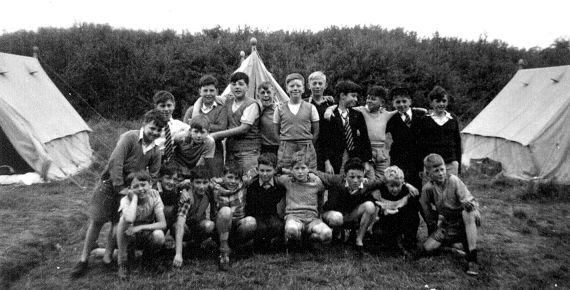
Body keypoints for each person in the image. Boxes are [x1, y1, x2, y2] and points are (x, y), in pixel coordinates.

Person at [70, 109, 165, 278]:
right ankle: (83, 259)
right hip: (110, 184)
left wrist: (139, 189)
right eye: (152, 128)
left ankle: (107, 257)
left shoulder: (156, 150)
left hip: (129, 189)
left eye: (159, 130)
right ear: (144, 124)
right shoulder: (129, 137)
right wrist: (119, 186)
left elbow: (154, 175)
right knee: (97, 220)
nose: (155, 133)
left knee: (117, 223)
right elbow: (116, 162)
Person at [419, 153, 481, 276]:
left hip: (466, 218)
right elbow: (426, 210)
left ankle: (472, 257)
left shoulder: (453, 180)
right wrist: (433, 228)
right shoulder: (428, 189)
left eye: (442, 169)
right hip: (449, 223)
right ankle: (454, 244)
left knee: (467, 212)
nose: (441, 173)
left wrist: (468, 205)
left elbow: (468, 201)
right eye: (436, 171)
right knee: (428, 248)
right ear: (428, 173)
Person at [316, 158, 378, 255]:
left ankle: (359, 241)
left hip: (350, 215)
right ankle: (336, 235)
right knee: (337, 217)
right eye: (352, 177)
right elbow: (320, 174)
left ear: (363, 175)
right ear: (345, 175)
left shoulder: (365, 184)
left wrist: (405, 184)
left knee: (370, 206)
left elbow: (382, 181)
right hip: (332, 214)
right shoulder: (337, 180)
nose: (356, 181)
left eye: (359, 177)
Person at [115, 171, 167, 280]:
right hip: (127, 236)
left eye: (143, 185)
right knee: (122, 221)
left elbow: (163, 224)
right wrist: (134, 198)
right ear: (130, 189)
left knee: (159, 235)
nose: (140, 189)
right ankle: (122, 262)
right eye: (136, 186)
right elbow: (129, 219)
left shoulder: (154, 196)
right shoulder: (125, 200)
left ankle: (147, 260)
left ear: (150, 184)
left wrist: (140, 227)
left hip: (143, 233)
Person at [276, 151, 332, 251]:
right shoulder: (287, 181)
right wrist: (288, 172)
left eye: (303, 168)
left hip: (312, 219)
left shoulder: (316, 181)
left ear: (308, 169)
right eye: (296, 168)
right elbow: (274, 173)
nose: (300, 172)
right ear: (291, 170)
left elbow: (329, 183)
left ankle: (308, 240)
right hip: (294, 218)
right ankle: (295, 242)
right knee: (291, 229)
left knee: (327, 234)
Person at [208, 72, 261, 175]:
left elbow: (243, 128)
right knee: (231, 181)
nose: (237, 87)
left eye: (241, 84)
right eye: (233, 84)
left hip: (248, 152)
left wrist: (216, 135)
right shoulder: (228, 101)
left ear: (247, 87)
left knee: (249, 181)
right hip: (231, 151)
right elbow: (207, 96)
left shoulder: (252, 104)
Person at [211, 163, 256, 271]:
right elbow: (196, 182)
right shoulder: (214, 187)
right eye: (229, 177)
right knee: (226, 211)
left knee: (251, 222)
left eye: (236, 178)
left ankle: (234, 247)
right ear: (222, 177)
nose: (233, 181)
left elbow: (257, 172)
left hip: (237, 224)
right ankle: (223, 250)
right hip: (221, 226)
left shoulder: (242, 184)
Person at [323, 80, 373, 176]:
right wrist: (327, 162)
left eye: (356, 97)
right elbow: (325, 142)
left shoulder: (357, 115)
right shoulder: (330, 115)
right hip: (336, 159)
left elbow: (365, 140)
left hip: (355, 158)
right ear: (342, 95)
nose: (356, 99)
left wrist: (366, 161)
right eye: (353, 96)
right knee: (338, 185)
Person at [370, 166, 419, 258]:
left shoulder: (406, 191)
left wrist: (398, 210)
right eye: (391, 186)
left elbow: (414, 204)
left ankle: (409, 241)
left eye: (398, 186)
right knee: (378, 234)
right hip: (386, 221)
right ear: (386, 184)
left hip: (401, 219)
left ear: (402, 184)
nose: (395, 189)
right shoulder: (380, 191)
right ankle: (391, 242)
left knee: (413, 216)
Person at [273, 73, 320, 170]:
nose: (295, 88)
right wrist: (284, 144)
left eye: (298, 86)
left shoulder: (311, 108)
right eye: (292, 86)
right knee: (286, 175)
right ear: (287, 89)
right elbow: (275, 131)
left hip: (306, 147)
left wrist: (308, 143)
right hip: (286, 148)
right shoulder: (279, 108)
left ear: (303, 89)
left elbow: (316, 131)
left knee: (308, 174)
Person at [172, 166, 216, 268]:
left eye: (205, 183)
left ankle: (196, 246)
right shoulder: (187, 197)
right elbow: (180, 224)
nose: (201, 186)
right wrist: (178, 254)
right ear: (191, 183)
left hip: (197, 224)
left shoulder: (209, 192)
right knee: (178, 227)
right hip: (184, 227)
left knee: (209, 225)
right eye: (198, 182)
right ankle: (182, 249)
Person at [184, 74, 227, 176]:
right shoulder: (191, 110)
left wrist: (199, 125)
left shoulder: (221, 109)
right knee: (195, 178)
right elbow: (187, 128)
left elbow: (222, 128)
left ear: (217, 91)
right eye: (205, 90)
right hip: (194, 151)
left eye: (212, 91)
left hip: (215, 151)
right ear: (200, 91)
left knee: (213, 177)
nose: (208, 94)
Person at [386, 87, 426, 190]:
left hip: (416, 159)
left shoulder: (421, 116)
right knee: (401, 185)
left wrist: (422, 165)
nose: (401, 104)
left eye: (404, 101)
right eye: (398, 102)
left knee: (417, 187)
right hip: (399, 159)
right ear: (393, 104)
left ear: (410, 101)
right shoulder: (391, 119)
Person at [353, 86, 397, 180]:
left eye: (373, 99)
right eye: (368, 98)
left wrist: (419, 110)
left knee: (383, 178)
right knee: (370, 178)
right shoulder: (361, 110)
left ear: (382, 102)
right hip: (368, 151)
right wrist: (330, 109)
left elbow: (400, 111)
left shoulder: (385, 114)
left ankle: (379, 194)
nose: (369, 101)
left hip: (381, 152)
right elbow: (344, 107)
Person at [243, 153, 286, 250]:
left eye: (268, 171)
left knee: (277, 225)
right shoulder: (252, 185)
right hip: (256, 215)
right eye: (262, 170)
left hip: (273, 215)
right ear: (257, 170)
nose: (265, 174)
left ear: (275, 170)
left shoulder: (279, 185)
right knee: (260, 228)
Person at [418, 86, 462, 176]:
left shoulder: (453, 119)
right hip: (431, 164)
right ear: (431, 103)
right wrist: (421, 166)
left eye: (444, 101)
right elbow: (421, 145)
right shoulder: (424, 120)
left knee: (450, 188)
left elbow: (458, 142)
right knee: (432, 189)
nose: (441, 104)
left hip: (450, 163)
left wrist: (459, 164)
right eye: (437, 101)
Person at [306, 71, 335, 171]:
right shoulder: (304, 104)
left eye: (320, 83)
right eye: (314, 84)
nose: (317, 86)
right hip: (311, 146)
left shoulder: (331, 104)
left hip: (328, 148)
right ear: (308, 86)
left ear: (325, 85)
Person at [153, 90, 190, 164]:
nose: (166, 109)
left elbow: (193, 131)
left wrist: (183, 136)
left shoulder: (179, 125)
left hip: (173, 161)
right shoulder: (151, 126)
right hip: (154, 160)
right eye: (162, 106)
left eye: (169, 105)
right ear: (155, 107)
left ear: (174, 106)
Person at [153, 164, 182, 235]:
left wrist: (184, 190)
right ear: (160, 177)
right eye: (168, 178)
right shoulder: (154, 191)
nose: (171, 182)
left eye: (175, 179)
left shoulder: (175, 189)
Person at [257, 81, 280, 155]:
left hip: (280, 146)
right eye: (263, 93)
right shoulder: (257, 111)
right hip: (264, 148)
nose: (266, 95)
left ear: (274, 94)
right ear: (258, 96)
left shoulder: (281, 109)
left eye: (268, 92)